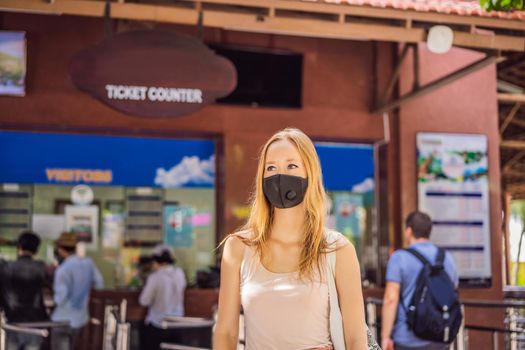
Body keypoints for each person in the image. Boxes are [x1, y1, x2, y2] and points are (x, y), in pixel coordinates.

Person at [213, 128, 367, 349]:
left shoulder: (337, 249)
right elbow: (226, 333)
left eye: (291, 166)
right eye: (271, 167)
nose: (279, 175)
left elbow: (355, 338)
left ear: (310, 173)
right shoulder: (237, 247)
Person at [381, 211, 459, 350]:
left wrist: (385, 336)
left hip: (407, 339)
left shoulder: (399, 257)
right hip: (440, 337)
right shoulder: (447, 258)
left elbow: (390, 298)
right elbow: (452, 293)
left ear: (409, 231)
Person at [51, 232, 104, 350]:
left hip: (62, 320)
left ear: (60, 249)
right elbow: (100, 284)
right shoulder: (88, 263)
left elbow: (60, 298)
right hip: (81, 318)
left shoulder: (62, 270)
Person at [0, 231, 49, 350]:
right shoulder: (42, 268)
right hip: (35, 323)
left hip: (13, 321)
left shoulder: (5, 268)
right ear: (36, 250)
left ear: (19, 247)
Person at [139, 244, 187, 350]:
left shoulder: (155, 277)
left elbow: (144, 301)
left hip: (157, 325)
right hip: (177, 324)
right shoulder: (180, 273)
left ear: (156, 261)